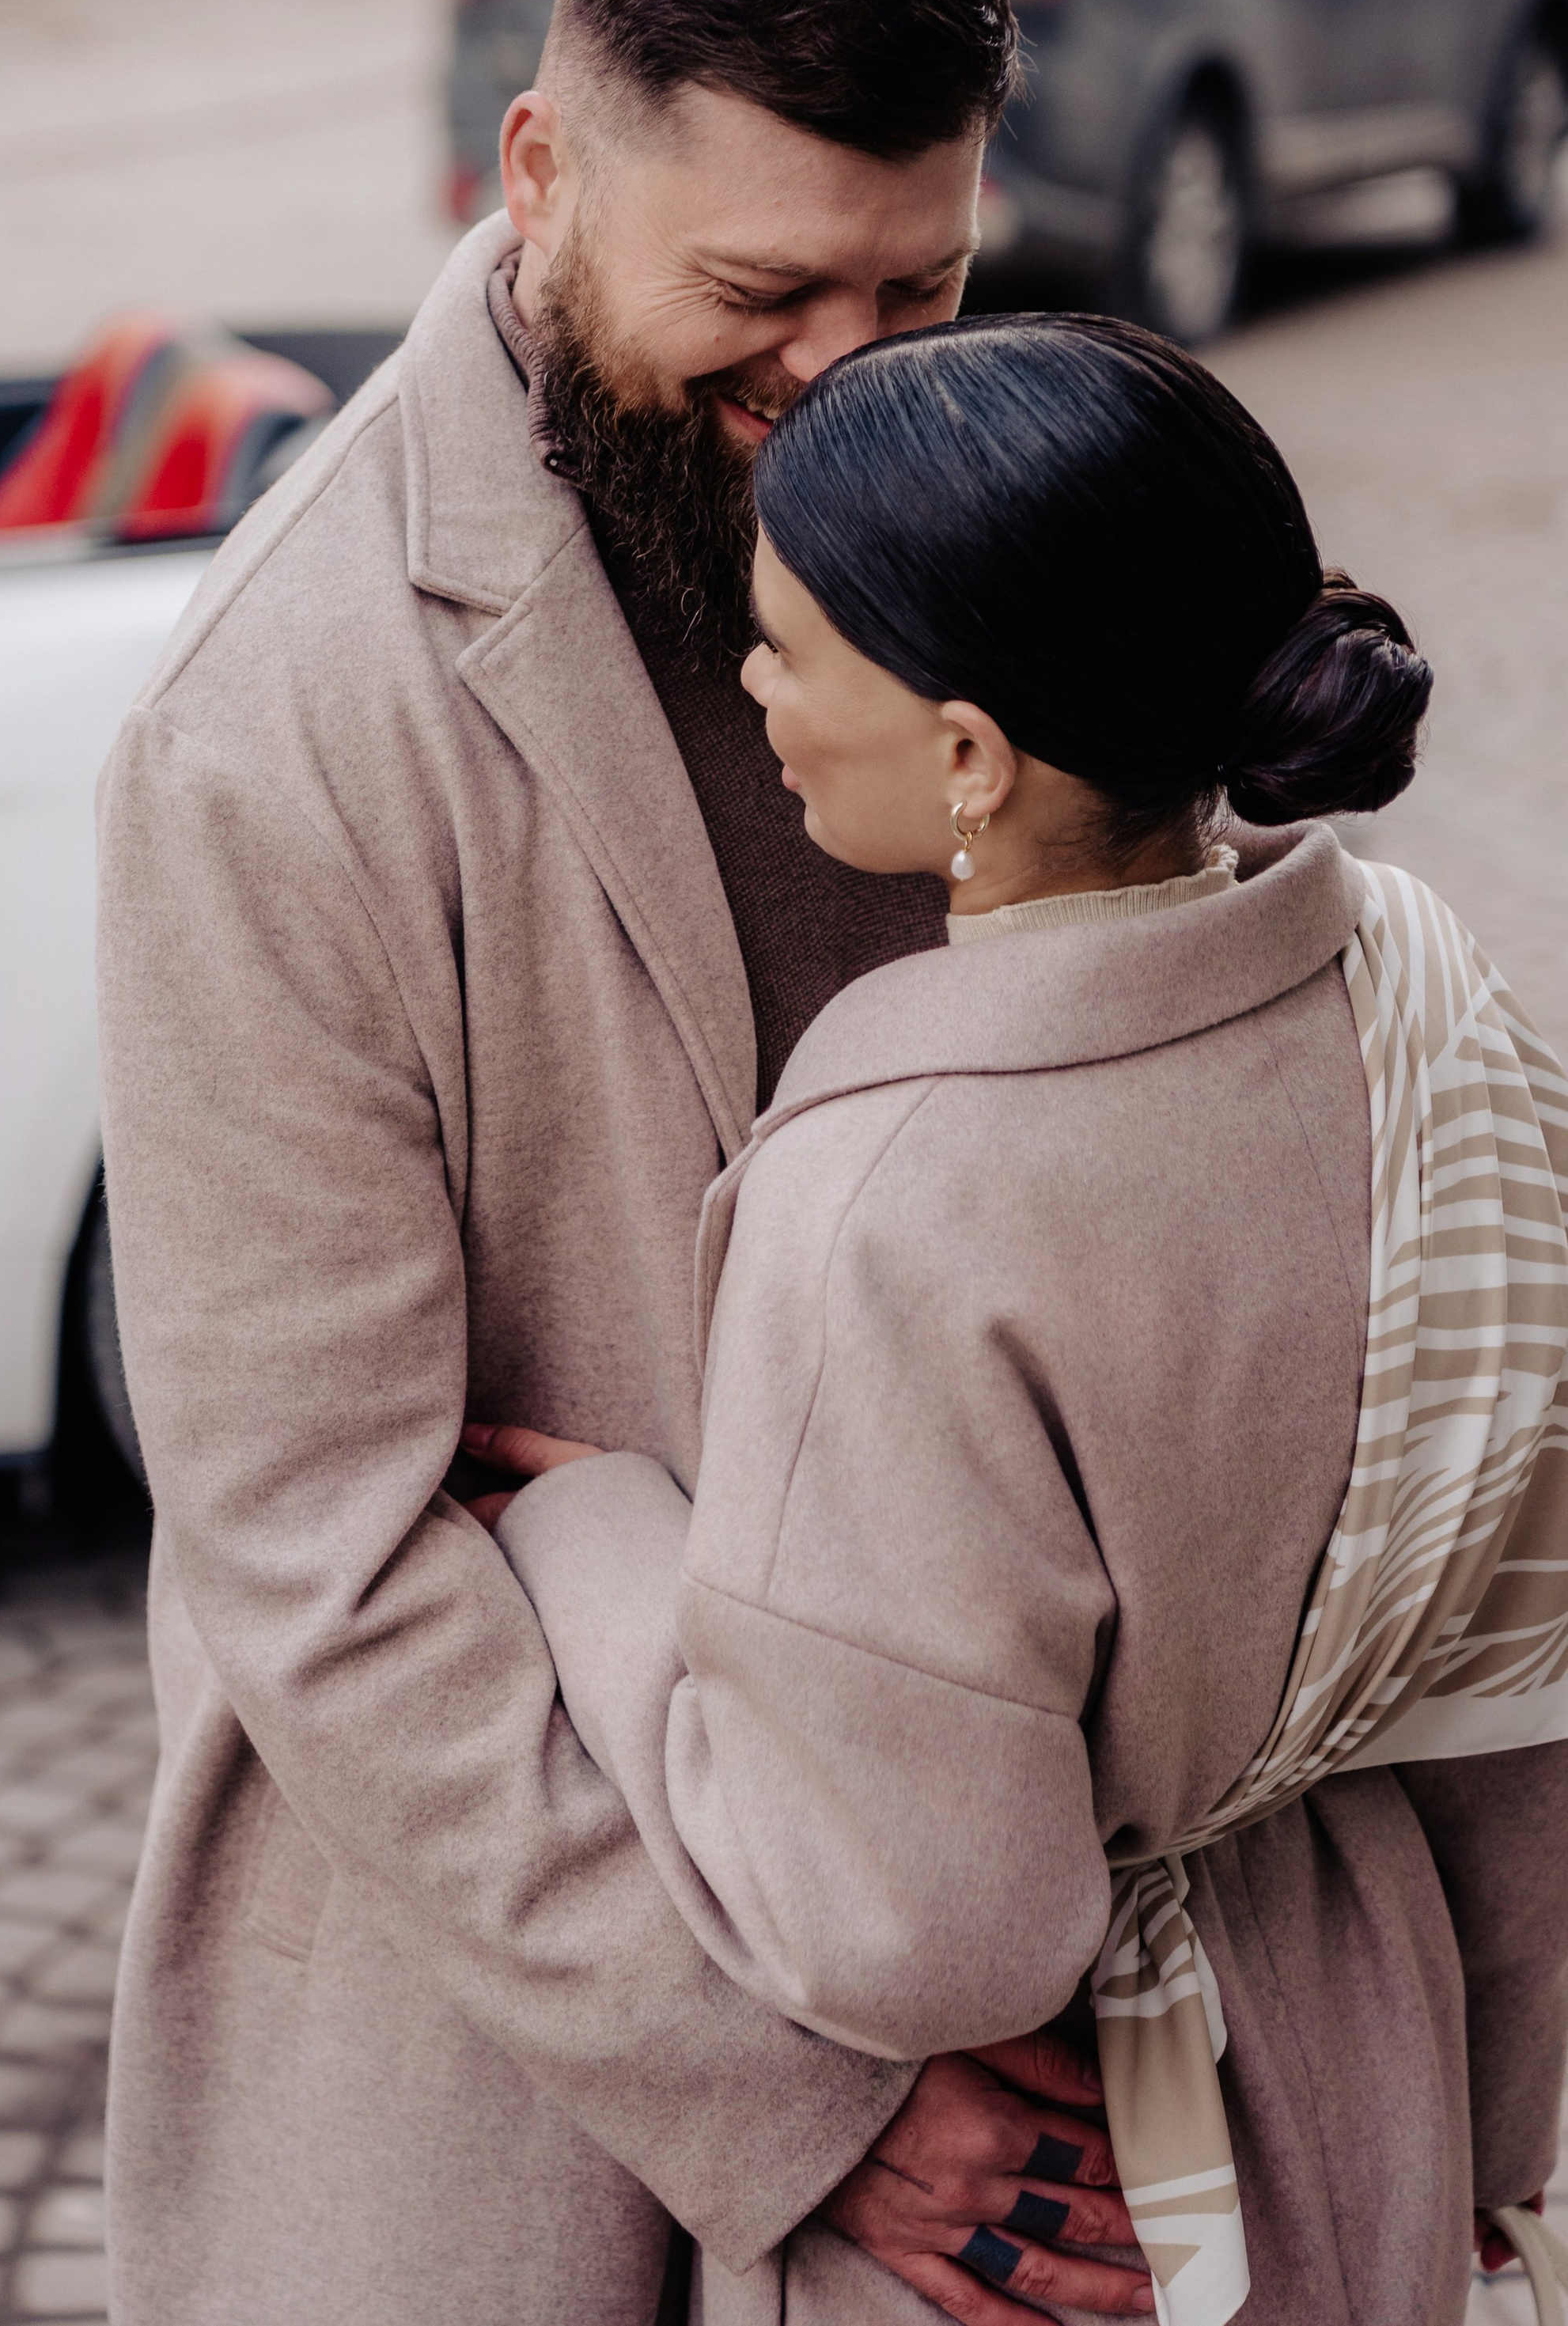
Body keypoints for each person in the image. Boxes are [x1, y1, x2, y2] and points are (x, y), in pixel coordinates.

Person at [94, 0, 1151, 2323]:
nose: (850, 380)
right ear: (542, 171)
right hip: (497, 2051)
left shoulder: (1027, 536)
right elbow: (321, 1561)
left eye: (921, 286)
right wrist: (805, 2091)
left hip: (1008, 1957)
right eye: (763, 292)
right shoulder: (267, 733)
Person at [472, 315, 1568, 2326]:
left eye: (785, 646)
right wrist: (1483, 2147)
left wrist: (597, 1544)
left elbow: (919, 1928)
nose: (752, 686)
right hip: (1375, 2078)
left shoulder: (891, 1199)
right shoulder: (1437, 1014)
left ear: (968, 757)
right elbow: (1519, 1705)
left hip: (1084, 2196)